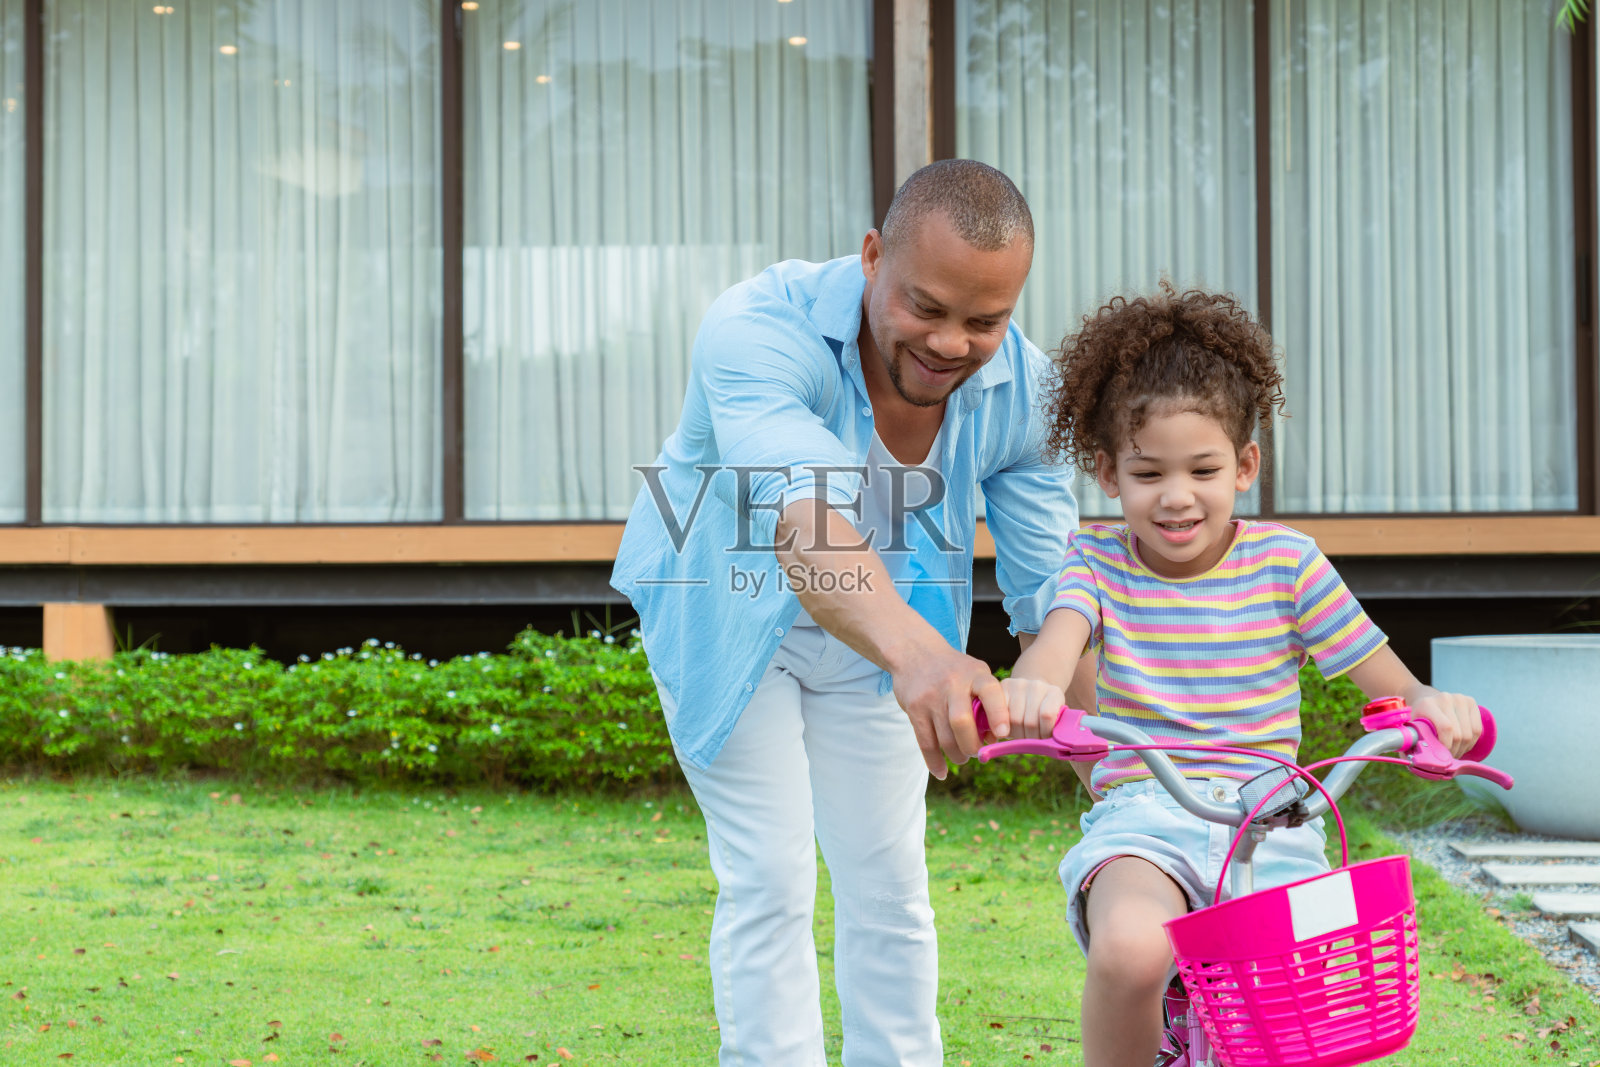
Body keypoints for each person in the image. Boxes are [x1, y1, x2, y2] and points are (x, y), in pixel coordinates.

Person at [610, 159, 1084, 1066]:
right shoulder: (756, 328)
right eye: (928, 308)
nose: (952, 343)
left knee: (889, 878)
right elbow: (805, 522)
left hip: (884, 637)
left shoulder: (1024, 391)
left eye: (986, 320)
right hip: (733, 615)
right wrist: (929, 659)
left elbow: (1054, 596)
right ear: (872, 258)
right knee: (770, 875)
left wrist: (1115, 766)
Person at [997, 285, 1484, 1067]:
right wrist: (1037, 686)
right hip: (1147, 820)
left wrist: (1431, 706)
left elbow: (1389, 680)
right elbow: (1058, 642)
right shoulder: (1094, 561)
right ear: (1107, 471)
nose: (1177, 496)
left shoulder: (1286, 562)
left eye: (1203, 468)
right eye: (1148, 472)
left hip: (1274, 823)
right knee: (1128, 950)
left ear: (1246, 465)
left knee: (1297, 1020)